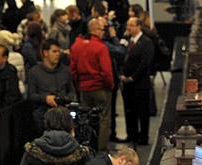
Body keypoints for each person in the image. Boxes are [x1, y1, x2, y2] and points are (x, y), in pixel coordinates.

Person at [70, 17, 114, 150]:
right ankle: (101, 151)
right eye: (102, 29)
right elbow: (107, 72)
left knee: (84, 120)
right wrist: (110, 86)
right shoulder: (101, 47)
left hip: (84, 88)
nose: (103, 32)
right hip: (100, 88)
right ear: (95, 30)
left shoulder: (76, 46)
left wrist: (78, 86)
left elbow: (73, 70)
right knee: (103, 119)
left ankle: (86, 148)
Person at [28, 38, 75, 134]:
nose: (58, 54)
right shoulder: (34, 71)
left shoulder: (66, 71)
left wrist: (65, 98)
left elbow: (72, 92)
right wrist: (45, 98)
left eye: (59, 51)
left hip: (63, 113)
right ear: (45, 53)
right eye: (54, 51)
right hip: (42, 115)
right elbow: (31, 95)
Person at [120, 16, 154, 145]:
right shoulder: (127, 41)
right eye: (127, 25)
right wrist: (123, 75)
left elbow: (145, 63)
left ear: (139, 26)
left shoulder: (146, 42)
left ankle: (143, 137)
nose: (128, 28)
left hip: (140, 84)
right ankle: (131, 134)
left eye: (131, 25)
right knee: (129, 111)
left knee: (142, 112)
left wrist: (132, 77)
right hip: (127, 84)